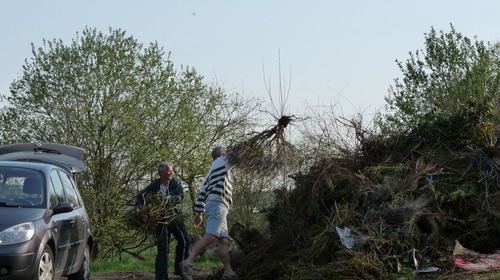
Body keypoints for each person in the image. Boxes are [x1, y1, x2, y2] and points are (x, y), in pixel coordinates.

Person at [180, 147, 238, 280]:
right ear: (221, 154)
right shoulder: (223, 161)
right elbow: (236, 153)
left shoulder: (210, 172)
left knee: (223, 241)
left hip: (217, 205)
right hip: (218, 204)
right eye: (225, 152)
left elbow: (202, 194)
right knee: (211, 236)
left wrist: (199, 213)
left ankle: (228, 272)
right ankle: (187, 262)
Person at [136, 162, 190, 280]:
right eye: (169, 170)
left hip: (175, 217)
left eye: (172, 170)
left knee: (185, 241)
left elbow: (180, 196)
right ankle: (161, 277)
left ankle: (179, 268)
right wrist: (139, 209)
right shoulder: (154, 185)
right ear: (161, 173)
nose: (171, 172)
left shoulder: (176, 183)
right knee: (163, 249)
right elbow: (141, 197)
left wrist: (170, 199)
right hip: (160, 220)